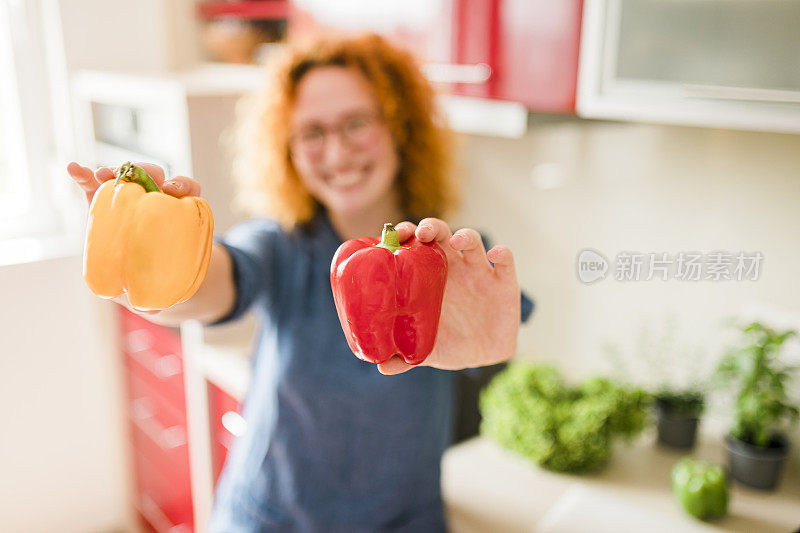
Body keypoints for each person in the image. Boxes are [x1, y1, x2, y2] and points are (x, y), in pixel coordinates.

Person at [68, 33, 533, 532]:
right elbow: (213, 282)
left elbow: (494, 342)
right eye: (311, 133)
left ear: (402, 128)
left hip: (404, 520)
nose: (337, 150)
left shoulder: (449, 258)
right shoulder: (280, 244)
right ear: (287, 152)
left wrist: (491, 356)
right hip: (270, 517)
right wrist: (158, 268)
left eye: (357, 122)